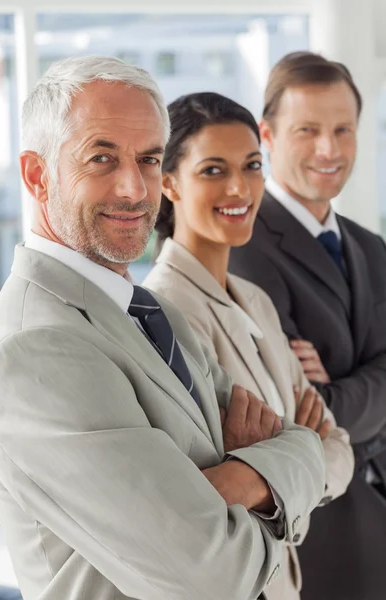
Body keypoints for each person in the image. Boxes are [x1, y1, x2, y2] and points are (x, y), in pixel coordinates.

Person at [0, 56, 327, 600]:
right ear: (35, 175)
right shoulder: (35, 349)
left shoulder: (151, 312)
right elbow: (208, 576)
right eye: (101, 158)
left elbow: (309, 444)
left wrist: (241, 480)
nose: (133, 188)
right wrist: (265, 481)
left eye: (147, 160)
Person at [144, 91, 353, 600]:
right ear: (168, 182)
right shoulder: (163, 312)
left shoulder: (255, 301)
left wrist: (271, 463)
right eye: (213, 169)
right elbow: (212, 494)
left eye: (252, 165)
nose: (240, 186)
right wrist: (298, 448)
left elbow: (338, 449)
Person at [229, 51, 386, 600]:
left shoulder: (370, 247)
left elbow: (323, 401)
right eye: (308, 130)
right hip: (310, 541)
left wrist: (332, 385)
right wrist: (359, 379)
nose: (330, 149)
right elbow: (289, 413)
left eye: (344, 129)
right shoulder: (242, 250)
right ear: (267, 136)